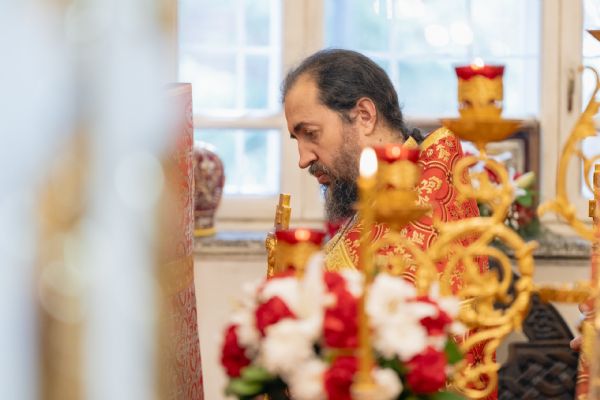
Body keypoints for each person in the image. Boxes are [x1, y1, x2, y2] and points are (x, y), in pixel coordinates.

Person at [282, 49, 495, 399]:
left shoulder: (422, 207)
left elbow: (414, 364)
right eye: (297, 139)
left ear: (364, 116)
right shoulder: (376, 195)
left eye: (311, 134)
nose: (303, 158)